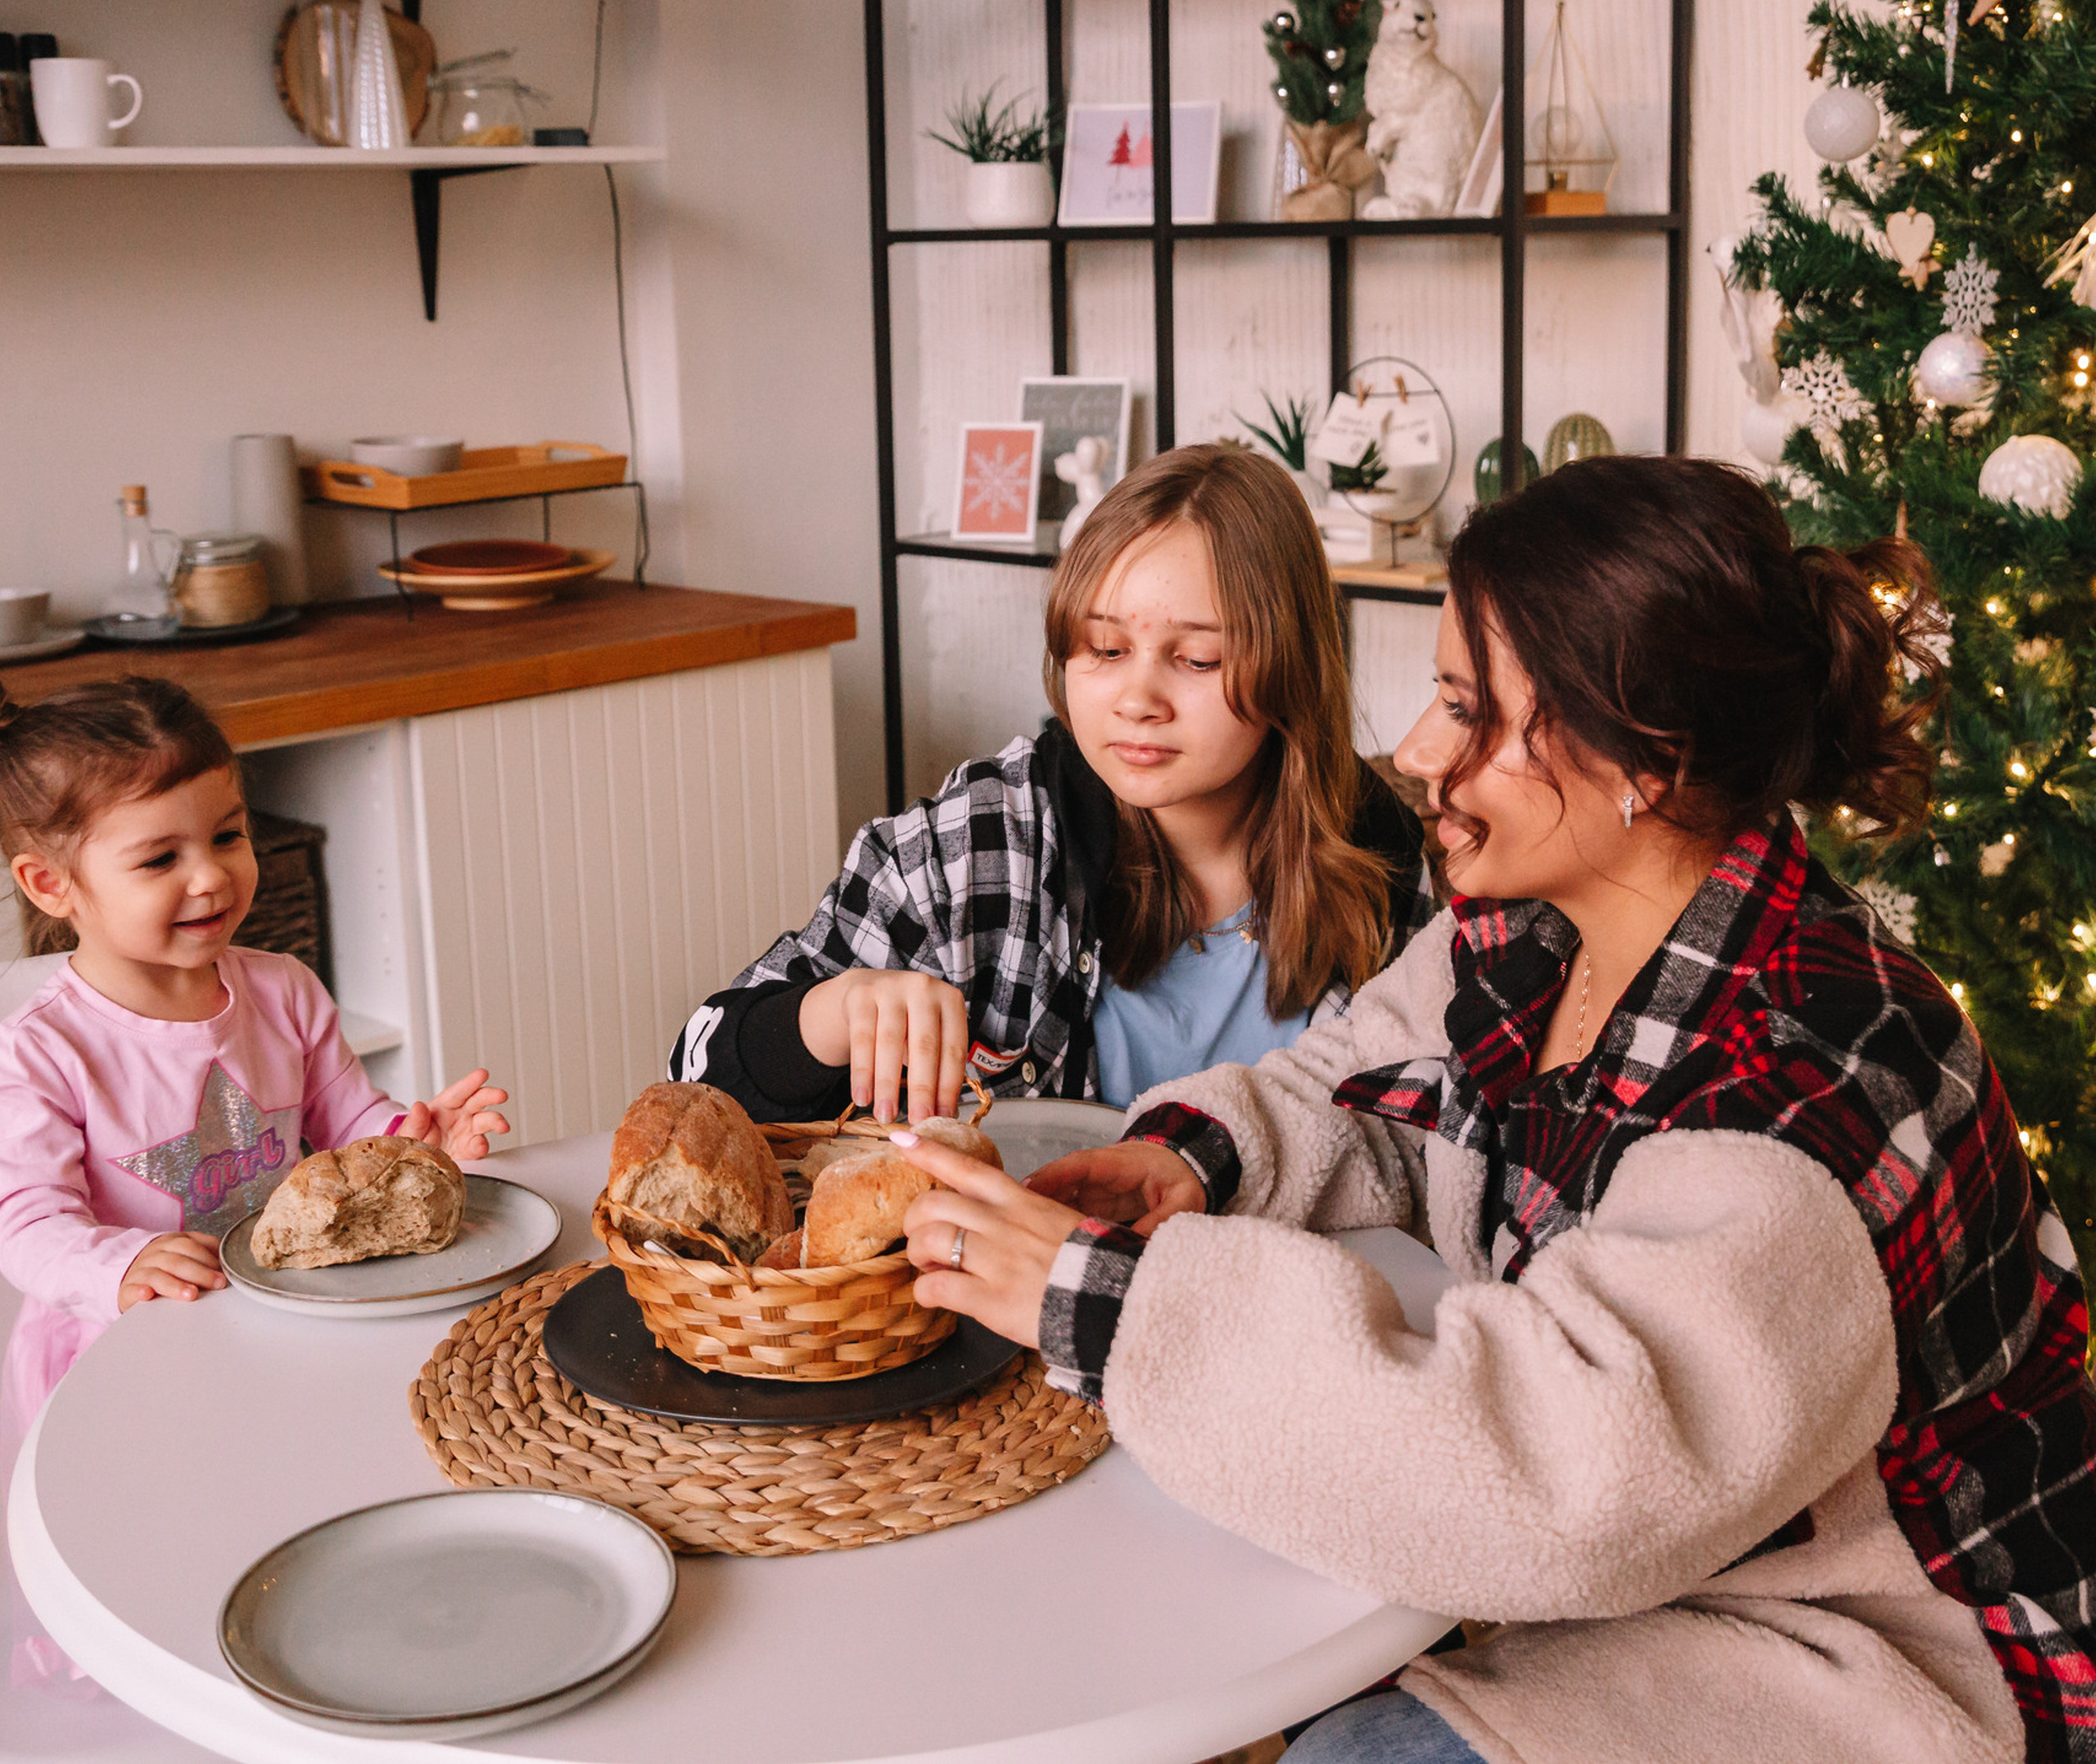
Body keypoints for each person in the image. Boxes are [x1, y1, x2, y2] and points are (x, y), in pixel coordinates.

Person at [888, 455, 2094, 1764]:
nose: (1414, 755)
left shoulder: (1801, 1104)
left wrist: (1108, 1307)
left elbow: (1563, 1478)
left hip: (1861, 1656)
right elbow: (1354, 1081)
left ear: (1648, 757)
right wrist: (1191, 1159)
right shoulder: (1532, 930)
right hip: (1665, 1580)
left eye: (1469, 709)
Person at [667, 441, 1434, 1126]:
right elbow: (698, 1072)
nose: (1137, 700)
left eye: (1197, 659)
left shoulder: (1380, 862)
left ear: (1292, 668)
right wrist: (835, 1012)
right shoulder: (976, 845)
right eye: (1103, 648)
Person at [0, 677, 509, 1525]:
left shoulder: (284, 989)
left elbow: (347, 1122)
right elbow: (25, 1225)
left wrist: (413, 1142)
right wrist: (121, 1265)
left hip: (274, 1316)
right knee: (155, 1528)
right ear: (51, 886)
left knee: (275, 1501)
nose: (210, 876)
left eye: (227, 835)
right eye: (160, 859)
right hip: (125, 1355)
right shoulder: (42, 1049)